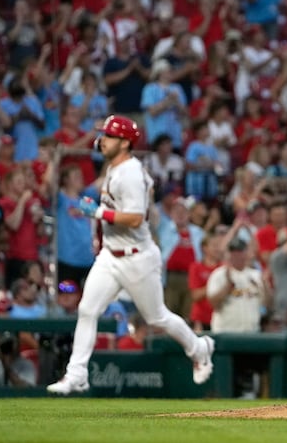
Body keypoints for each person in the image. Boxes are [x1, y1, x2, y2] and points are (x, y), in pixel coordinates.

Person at [47, 115, 214, 395]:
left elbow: (136, 218)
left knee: (157, 317)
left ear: (124, 142)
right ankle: (77, 374)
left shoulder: (130, 173)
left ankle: (199, 349)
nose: (102, 140)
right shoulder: (117, 167)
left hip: (137, 256)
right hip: (111, 255)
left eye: (110, 136)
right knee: (87, 309)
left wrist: (98, 212)